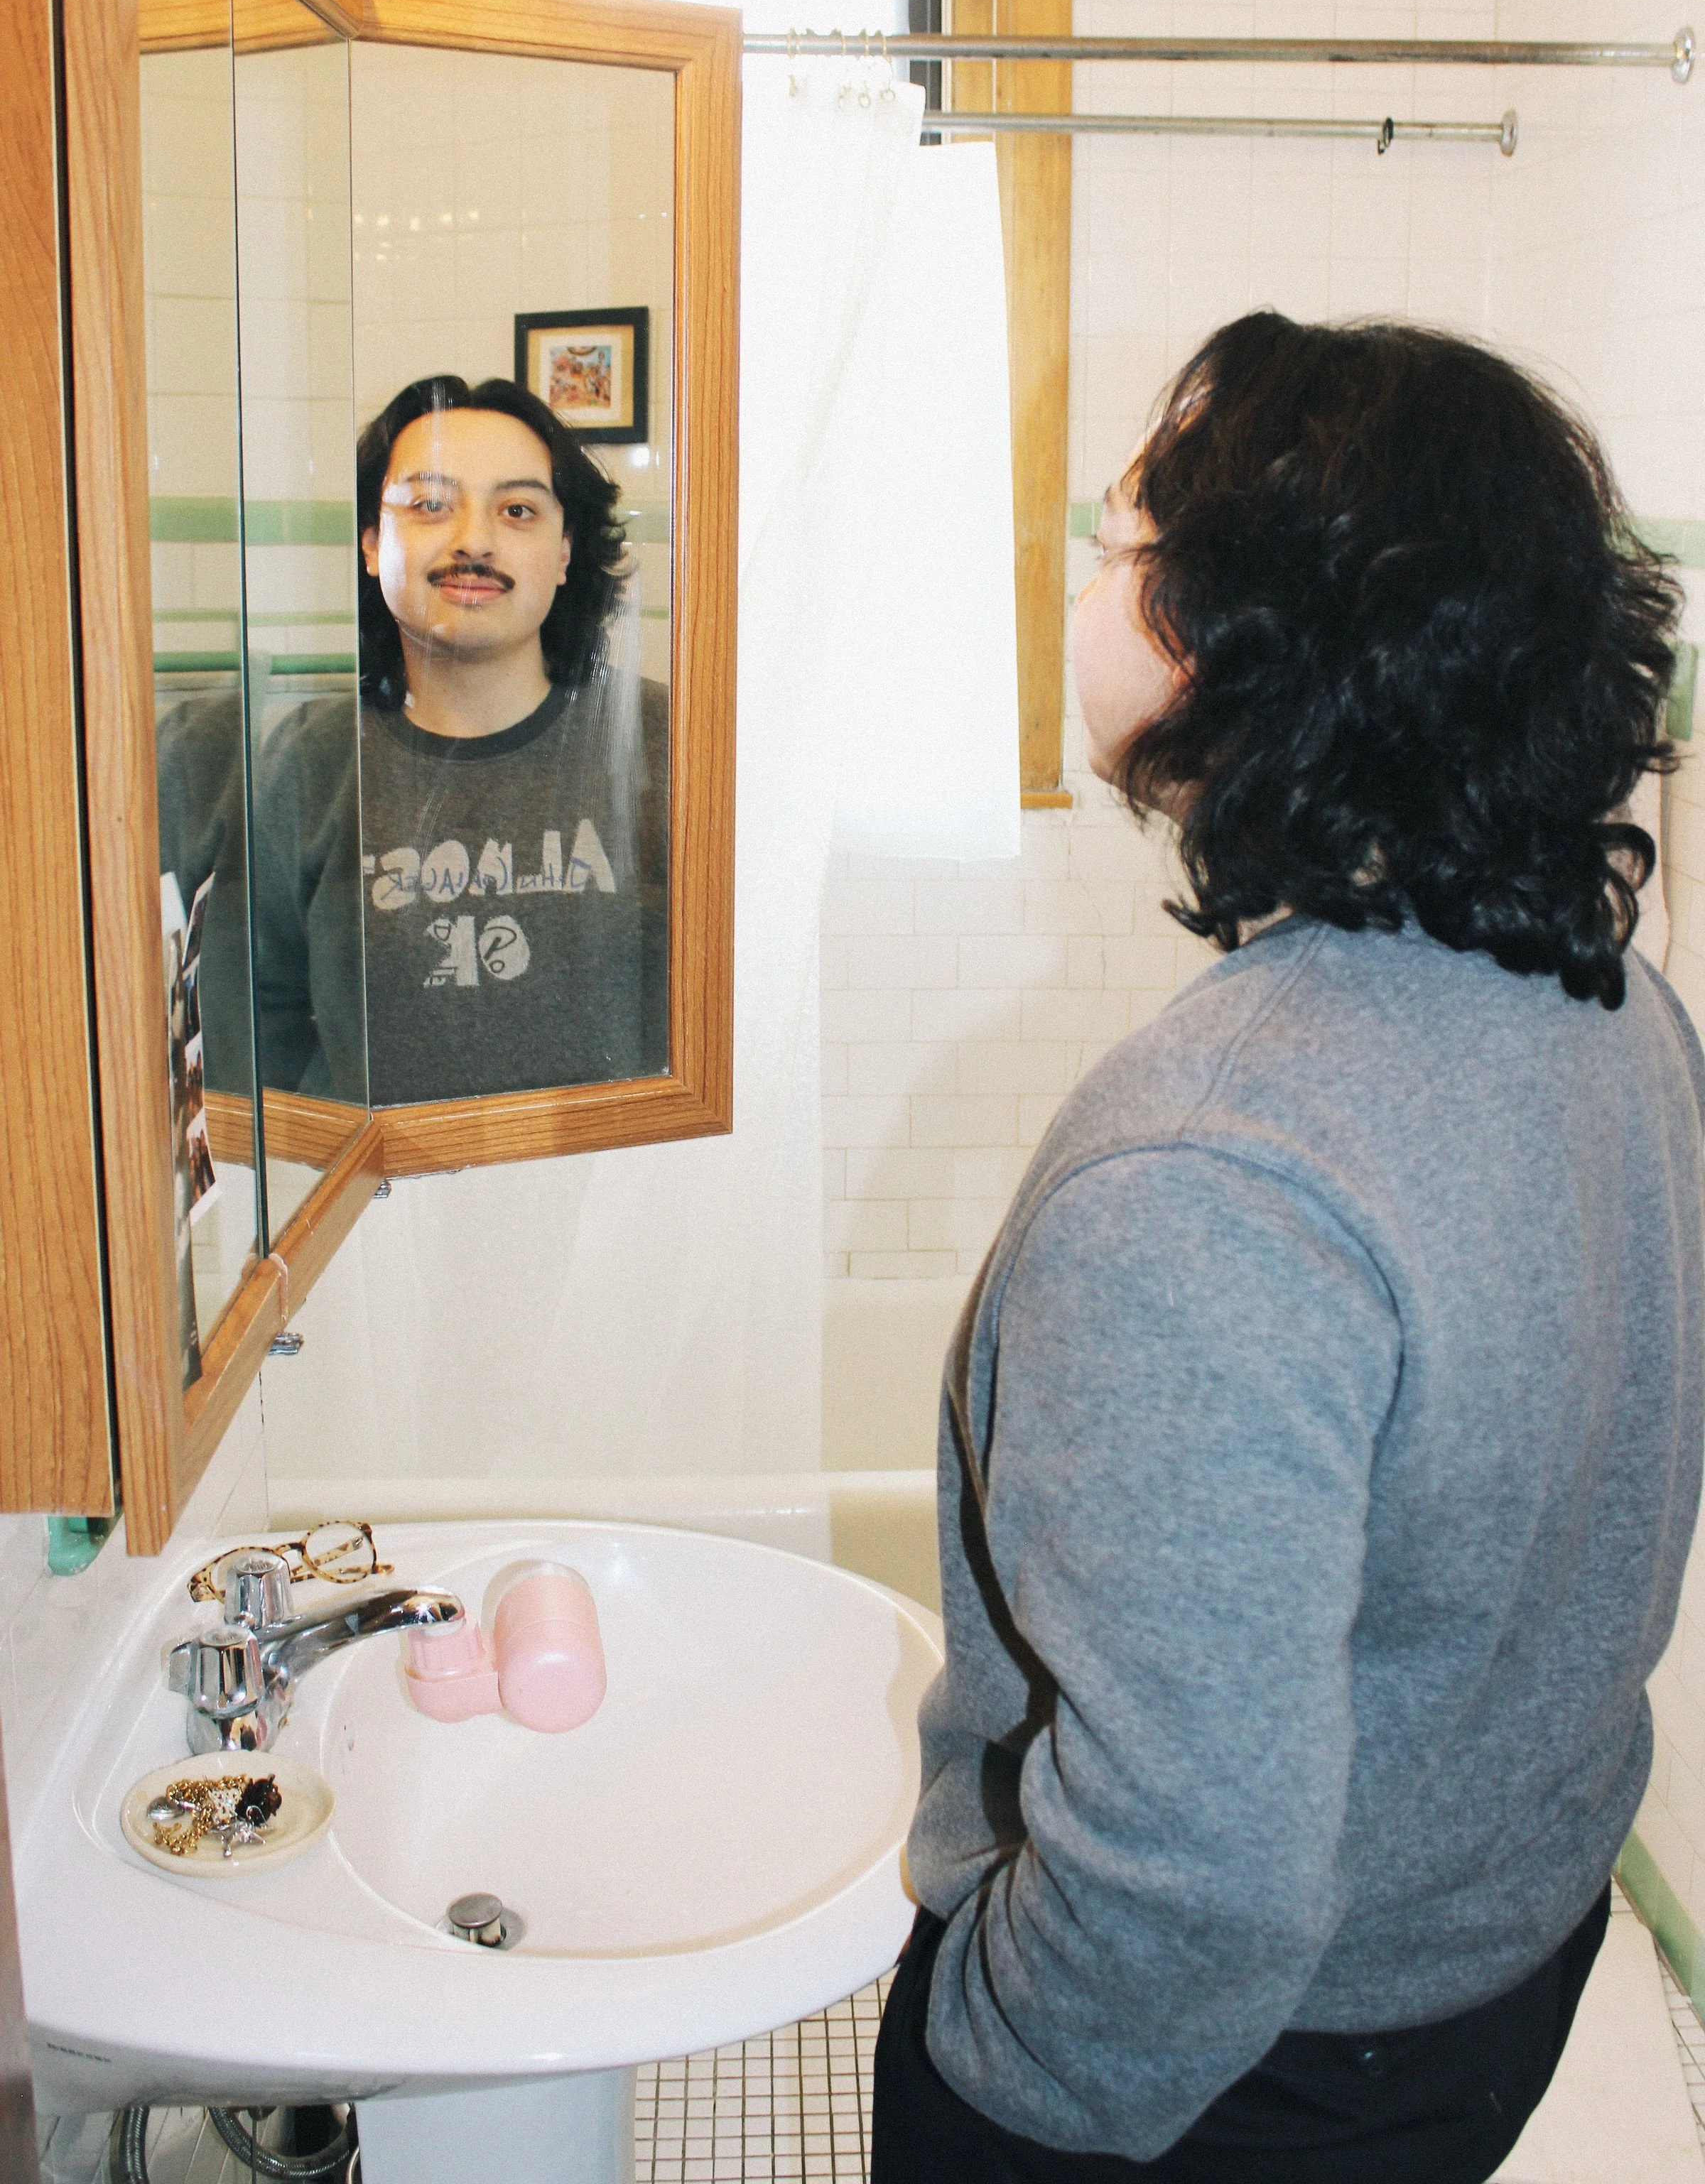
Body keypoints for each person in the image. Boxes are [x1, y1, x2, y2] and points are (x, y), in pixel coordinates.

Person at [872, 313, 1705, 2183]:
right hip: (1501, 1951)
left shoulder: (1210, 1180)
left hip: (1239, 2076)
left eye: (1122, 538)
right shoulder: (1610, 1007)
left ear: (1250, 639)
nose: (1091, 569)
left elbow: (1191, 1882)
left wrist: (1001, 2079)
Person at [254, 374, 666, 1105]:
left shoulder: (666, 744)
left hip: (622, 1195)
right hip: (381, 1204)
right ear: (373, 544)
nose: (473, 541)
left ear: (566, 551)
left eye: (517, 510)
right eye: (430, 505)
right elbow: (262, 1026)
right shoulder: (304, 765)